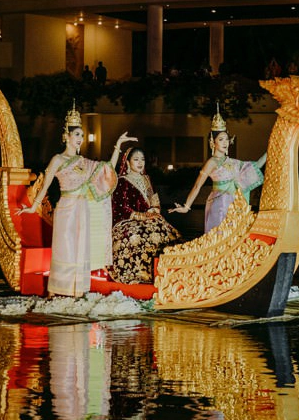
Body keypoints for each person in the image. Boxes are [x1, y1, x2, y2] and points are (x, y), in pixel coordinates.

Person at [17, 102, 136, 297]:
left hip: (83, 208)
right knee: (65, 248)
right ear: (66, 136)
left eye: (81, 135)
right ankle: (56, 289)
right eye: (77, 135)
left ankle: (77, 289)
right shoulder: (58, 159)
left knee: (81, 248)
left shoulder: (83, 162)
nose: (80, 139)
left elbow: (107, 169)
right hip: (66, 207)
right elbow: (45, 184)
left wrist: (118, 146)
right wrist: (33, 206)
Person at [169, 105, 266, 233]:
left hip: (234, 204)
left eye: (226, 139)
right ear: (212, 142)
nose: (225, 142)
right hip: (219, 204)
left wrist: (272, 146)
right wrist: (187, 206)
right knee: (219, 237)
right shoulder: (211, 162)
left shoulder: (233, 162)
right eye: (221, 139)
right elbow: (197, 185)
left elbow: (256, 165)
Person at [110, 147, 181, 284]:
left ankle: (168, 272)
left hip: (150, 218)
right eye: (136, 159)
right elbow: (120, 207)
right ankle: (141, 274)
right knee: (137, 235)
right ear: (128, 162)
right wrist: (141, 216)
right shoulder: (122, 181)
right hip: (128, 221)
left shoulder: (147, 179)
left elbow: (154, 200)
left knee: (167, 232)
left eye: (142, 159)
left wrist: (154, 210)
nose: (140, 162)